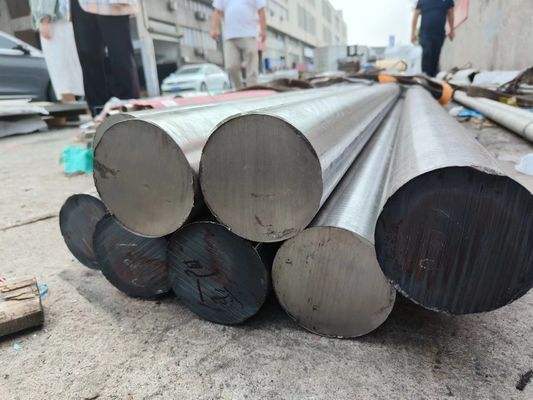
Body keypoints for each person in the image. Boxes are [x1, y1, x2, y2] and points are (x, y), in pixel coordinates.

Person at [70, 0, 140, 116]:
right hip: (80, 4)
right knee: (87, 56)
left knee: (120, 53)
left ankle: (129, 108)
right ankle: (98, 112)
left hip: (110, 3)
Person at [30, 0, 85, 102]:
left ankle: (74, 105)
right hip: (61, 18)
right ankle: (74, 106)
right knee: (66, 69)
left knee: (61, 69)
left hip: (56, 21)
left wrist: (43, 19)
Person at [211, 0, 266, 89]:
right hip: (230, 36)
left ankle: (252, 88)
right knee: (231, 67)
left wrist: (263, 30)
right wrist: (213, 28)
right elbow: (217, 11)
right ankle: (239, 88)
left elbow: (261, 11)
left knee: (251, 66)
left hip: (249, 34)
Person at [412, 0, 455, 77]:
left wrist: (452, 30)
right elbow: (416, 16)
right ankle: (425, 76)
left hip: (439, 34)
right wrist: (413, 33)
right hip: (425, 34)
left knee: (435, 58)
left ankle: (433, 77)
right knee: (426, 54)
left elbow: (450, 13)